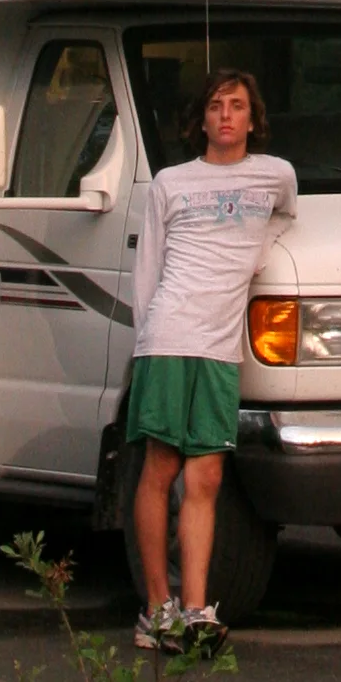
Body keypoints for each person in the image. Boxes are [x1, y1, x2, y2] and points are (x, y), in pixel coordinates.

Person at [126, 63, 298, 650]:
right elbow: (147, 273)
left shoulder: (276, 177)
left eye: (238, 106)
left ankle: (196, 609)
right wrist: (144, 341)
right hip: (170, 337)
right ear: (201, 119)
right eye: (217, 106)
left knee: (208, 474)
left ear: (254, 119)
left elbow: (283, 221)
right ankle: (157, 609)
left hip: (221, 349)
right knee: (162, 469)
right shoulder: (171, 183)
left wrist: (257, 256)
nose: (227, 117)